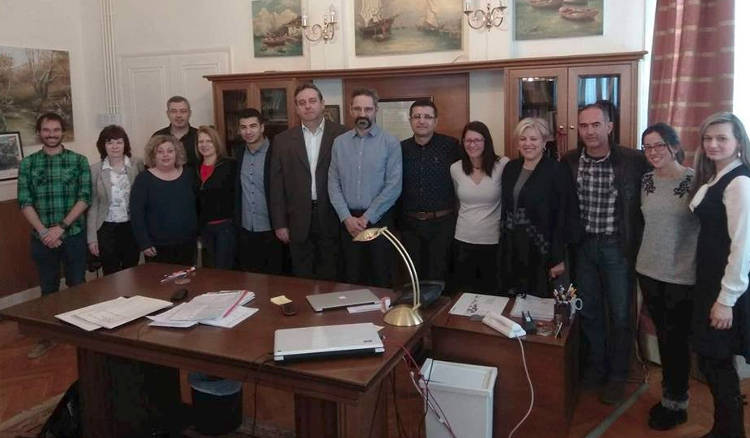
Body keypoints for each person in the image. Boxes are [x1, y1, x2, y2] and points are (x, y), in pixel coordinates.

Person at [561, 102, 648, 404]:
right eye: (584, 126)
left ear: (610, 127)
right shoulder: (569, 161)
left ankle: (618, 375)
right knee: (589, 311)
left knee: (621, 314)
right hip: (583, 248)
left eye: (596, 124)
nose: (590, 131)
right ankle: (596, 368)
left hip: (617, 248)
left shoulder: (633, 161)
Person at [689, 112, 750, 438]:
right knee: (712, 362)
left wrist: (726, 300)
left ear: (738, 142)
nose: (713, 144)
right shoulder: (717, 177)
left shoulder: (739, 182)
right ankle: (724, 429)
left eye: (721, 138)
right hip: (708, 282)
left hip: (724, 289)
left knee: (718, 363)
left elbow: (743, 247)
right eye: (708, 139)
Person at [634, 123, 699, 430]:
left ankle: (677, 404)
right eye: (647, 147)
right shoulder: (646, 180)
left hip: (680, 275)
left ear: (674, 145)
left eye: (659, 145)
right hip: (648, 271)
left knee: (677, 340)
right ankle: (669, 397)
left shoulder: (695, 180)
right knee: (663, 336)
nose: (653, 152)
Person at [17, 112, 91, 358]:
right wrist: (44, 232)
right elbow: (24, 201)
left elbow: (84, 198)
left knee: (77, 285)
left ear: (63, 132)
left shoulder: (78, 161)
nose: (51, 134)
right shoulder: (28, 164)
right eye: (46, 130)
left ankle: (81, 337)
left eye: (56, 130)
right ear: (39, 133)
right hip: (42, 238)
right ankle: (48, 337)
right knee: (48, 289)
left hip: (73, 234)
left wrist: (61, 227)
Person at [269, 83, 347, 280]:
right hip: (297, 220)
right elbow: (276, 186)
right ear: (296, 108)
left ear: (322, 104)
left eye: (312, 101)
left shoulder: (343, 135)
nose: (307, 106)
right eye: (302, 103)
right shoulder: (282, 141)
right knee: (302, 279)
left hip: (332, 217)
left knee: (332, 277)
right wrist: (280, 224)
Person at [328, 88, 402, 287]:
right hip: (348, 222)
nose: (363, 114)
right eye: (358, 109)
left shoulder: (390, 142)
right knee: (351, 279)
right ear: (351, 110)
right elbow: (333, 183)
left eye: (368, 109)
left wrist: (367, 217)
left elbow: (394, 186)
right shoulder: (339, 143)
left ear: (376, 110)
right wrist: (346, 217)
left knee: (380, 278)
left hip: (379, 221)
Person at [500, 118, 576, 297]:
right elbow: (506, 209)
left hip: (543, 250)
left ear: (544, 142)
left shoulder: (557, 170)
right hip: (513, 247)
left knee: (540, 304)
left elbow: (563, 215)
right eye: (523, 139)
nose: (528, 144)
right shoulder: (510, 168)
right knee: (513, 301)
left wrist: (558, 258)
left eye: (533, 139)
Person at [399, 99, 460, 284]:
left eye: (427, 116)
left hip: (442, 225)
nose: (422, 121)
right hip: (409, 225)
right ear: (410, 120)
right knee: (412, 279)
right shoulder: (400, 149)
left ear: (435, 121)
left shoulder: (451, 146)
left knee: (439, 278)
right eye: (417, 116)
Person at [450, 121, 509, 294]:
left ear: (486, 141)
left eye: (477, 140)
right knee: (464, 293)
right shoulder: (455, 168)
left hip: (493, 241)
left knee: (492, 293)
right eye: (468, 140)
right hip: (463, 239)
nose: (472, 145)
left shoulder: (502, 164)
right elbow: (457, 202)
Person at [130, 135, 197, 265]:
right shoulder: (143, 179)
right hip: (157, 246)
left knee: (188, 277)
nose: (165, 155)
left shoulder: (189, 174)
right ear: (153, 155)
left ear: (177, 153)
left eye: (170, 151)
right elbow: (137, 214)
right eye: (160, 152)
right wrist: (144, 243)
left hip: (187, 243)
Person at [87, 125, 144, 275]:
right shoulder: (95, 170)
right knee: (110, 272)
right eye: (110, 142)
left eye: (119, 142)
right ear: (103, 145)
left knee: (132, 271)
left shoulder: (137, 164)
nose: (115, 146)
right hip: (106, 228)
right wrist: (92, 238)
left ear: (125, 144)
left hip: (131, 226)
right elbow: (93, 205)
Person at [233, 108, 282, 274]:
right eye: (243, 127)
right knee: (250, 278)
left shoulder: (277, 151)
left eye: (253, 126)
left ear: (262, 127)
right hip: (246, 229)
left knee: (276, 280)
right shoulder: (238, 153)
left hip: (273, 229)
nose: (248, 131)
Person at [196, 125, 236, 270]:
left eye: (209, 141)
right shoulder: (194, 168)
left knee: (224, 271)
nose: (204, 145)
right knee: (209, 270)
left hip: (226, 228)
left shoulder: (230, 165)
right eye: (201, 141)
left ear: (216, 143)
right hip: (205, 228)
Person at [152, 96, 198, 168]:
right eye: (174, 111)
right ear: (167, 114)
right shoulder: (158, 136)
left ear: (190, 113)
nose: (178, 115)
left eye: (183, 111)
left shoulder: (199, 136)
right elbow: (151, 164)